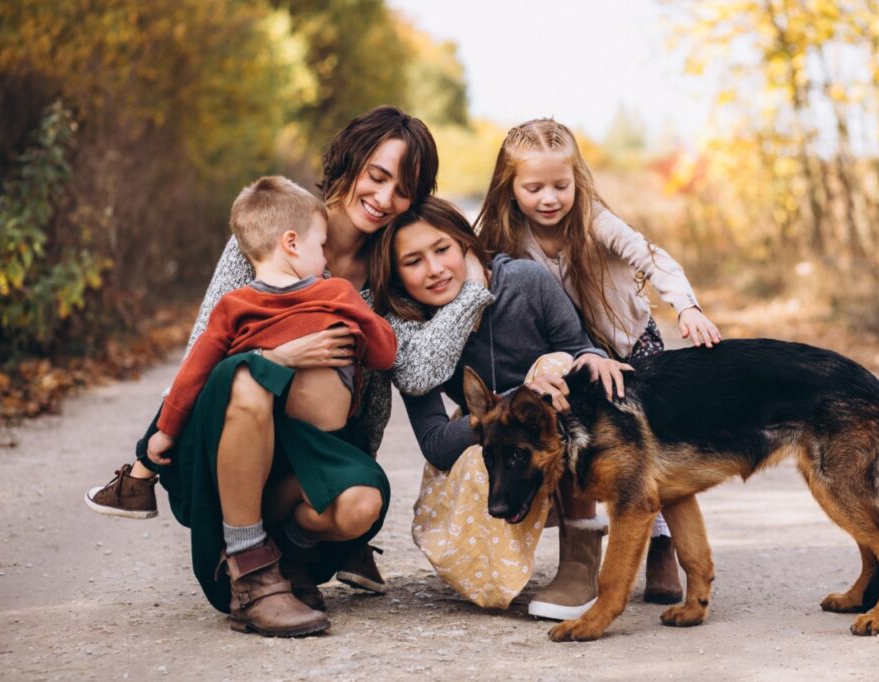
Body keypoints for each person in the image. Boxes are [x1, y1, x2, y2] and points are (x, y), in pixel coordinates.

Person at [85, 107, 482, 637]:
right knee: (252, 374)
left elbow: (412, 370)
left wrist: (472, 293)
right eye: (378, 176)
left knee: (361, 501)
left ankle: (290, 559)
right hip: (235, 422)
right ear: (350, 161)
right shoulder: (277, 226)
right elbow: (206, 342)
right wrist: (154, 448)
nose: (385, 199)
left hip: (318, 448)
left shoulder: (388, 270)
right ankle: (249, 569)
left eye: (403, 189)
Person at [475, 118, 722, 608]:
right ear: (510, 188)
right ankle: (582, 549)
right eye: (534, 187)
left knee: (645, 454)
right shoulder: (501, 234)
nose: (549, 198)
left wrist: (686, 305)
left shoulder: (594, 222)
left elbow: (651, 257)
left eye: (560, 185)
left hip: (630, 347)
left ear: (576, 181)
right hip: (574, 352)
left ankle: (661, 547)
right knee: (582, 450)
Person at [370, 196, 630, 616]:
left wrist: (574, 369)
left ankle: (579, 560)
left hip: (549, 429)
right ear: (397, 275)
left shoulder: (525, 281)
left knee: (557, 369)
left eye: (442, 250)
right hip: (491, 443)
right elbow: (436, 443)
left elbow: (576, 348)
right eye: (413, 261)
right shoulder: (410, 328)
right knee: (485, 453)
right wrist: (515, 396)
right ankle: (495, 567)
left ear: (465, 246)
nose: (434, 269)